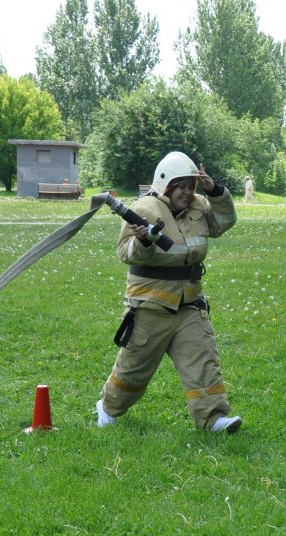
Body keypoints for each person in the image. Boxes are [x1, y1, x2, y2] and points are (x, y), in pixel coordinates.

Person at [95, 151, 242, 433]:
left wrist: (215, 191)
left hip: (190, 303)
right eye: (181, 186)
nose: (186, 192)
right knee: (133, 370)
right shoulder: (144, 208)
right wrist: (143, 242)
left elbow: (223, 222)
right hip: (150, 305)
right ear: (166, 184)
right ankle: (108, 407)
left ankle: (213, 419)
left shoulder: (199, 206)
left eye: (191, 186)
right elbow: (125, 253)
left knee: (203, 361)